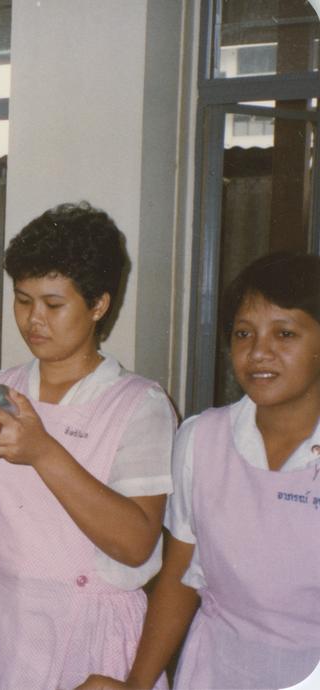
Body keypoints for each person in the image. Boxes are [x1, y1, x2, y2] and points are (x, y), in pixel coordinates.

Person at [0, 202, 177, 690]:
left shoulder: (139, 404)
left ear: (98, 305)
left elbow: (136, 544)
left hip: (88, 629)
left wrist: (44, 452)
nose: (33, 319)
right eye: (23, 300)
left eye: (53, 304)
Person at [79, 252, 320, 690]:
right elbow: (180, 578)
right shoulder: (202, 438)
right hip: (214, 671)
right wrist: (137, 684)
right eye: (243, 333)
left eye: (285, 333)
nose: (258, 351)